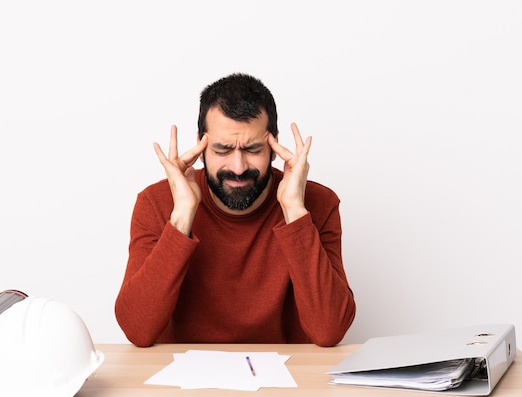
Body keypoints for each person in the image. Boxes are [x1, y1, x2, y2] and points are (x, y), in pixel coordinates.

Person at [115, 73, 355, 347]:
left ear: (274, 145)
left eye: (253, 149)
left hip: (289, 381)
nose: (238, 167)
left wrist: (294, 210)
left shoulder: (317, 204)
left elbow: (329, 331)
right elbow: (137, 330)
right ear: (201, 145)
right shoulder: (156, 203)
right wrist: (181, 215)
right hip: (185, 380)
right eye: (222, 150)